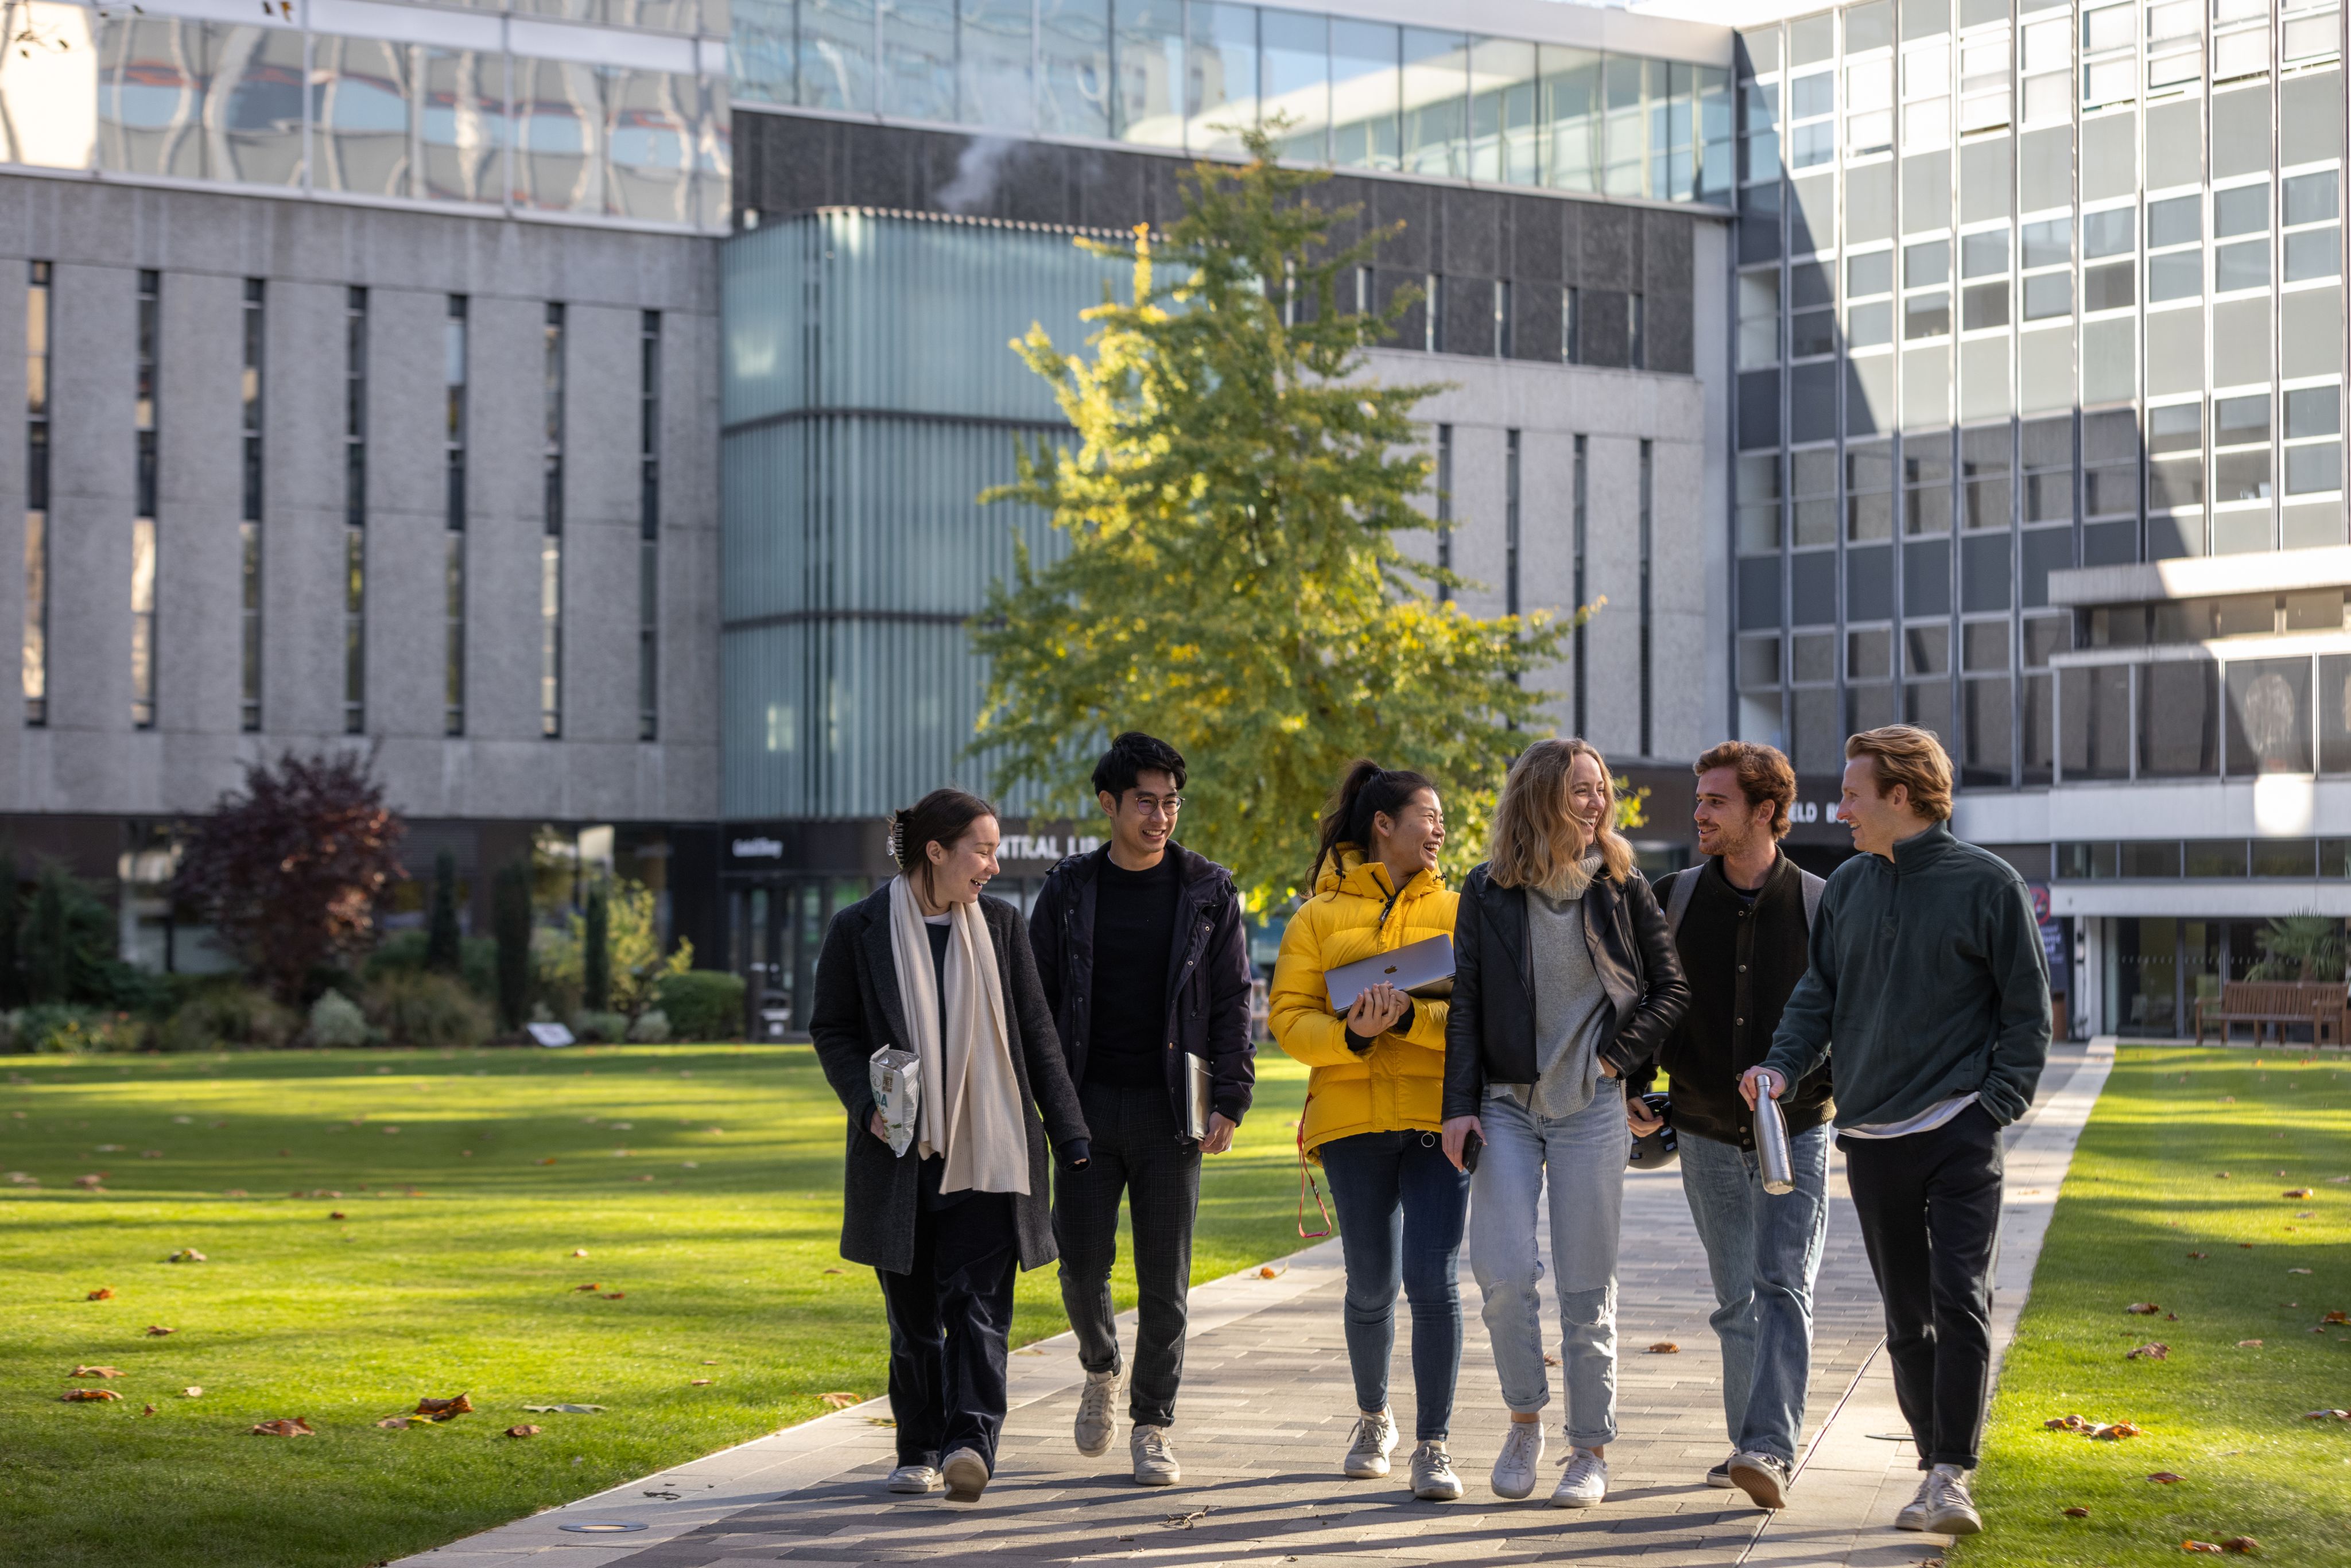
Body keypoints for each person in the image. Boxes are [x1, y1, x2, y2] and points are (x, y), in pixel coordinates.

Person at [1744, 727, 2050, 1539]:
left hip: (1958, 1131)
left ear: (1901, 796)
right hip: (1873, 1139)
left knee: (1961, 1299)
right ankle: (1929, 1465)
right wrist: (1779, 1067)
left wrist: (1993, 1105)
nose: (1841, 808)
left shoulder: (1988, 884)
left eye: (1853, 794)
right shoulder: (1848, 886)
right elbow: (1817, 996)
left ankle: (1951, 1474)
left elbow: (2027, 1012)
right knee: (1908, 1319)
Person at [807, 788, 1093, 1504]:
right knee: (913, 1320)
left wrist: (1069, 1132)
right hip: (899, 1154)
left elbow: (1036, 1032)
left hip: (989, 1144)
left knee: (979, 1309)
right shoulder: (857, 927)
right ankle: (918, 1446)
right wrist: (866, 1102)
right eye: (982, 850)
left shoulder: (1000, 925)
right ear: (935, 851)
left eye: (995, 851)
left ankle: (970, 1443)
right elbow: (832, 1028)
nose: (993, 866)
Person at [1440, 739, 1688, 1510]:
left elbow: (1670, 989)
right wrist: (1456, 1105)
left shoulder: (1620, 881)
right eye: (1582, 789)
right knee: (1503, 1273)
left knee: (1587, 1286)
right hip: (1506, 1105)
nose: (1597, 802)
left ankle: (1589, 1448)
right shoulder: (1487, 888)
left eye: (1601, 788)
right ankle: (1525, 1421)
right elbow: (1467, 1003)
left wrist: (1616, 1063)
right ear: (1541, 796)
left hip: (1591, 1108)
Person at [1029, 732, 1255, 1487]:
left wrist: (1231, 1096)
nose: (1160, 817)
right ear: (1109, 804)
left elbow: (1231, 1000)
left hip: (1172, 1110)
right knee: (1080, 1264)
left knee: (1166, 1281)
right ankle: (1101, 1366)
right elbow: (1036, 1001)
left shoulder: (1208, 889)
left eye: (1171, 803)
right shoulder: (1068, 890)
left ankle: (1153, 1423)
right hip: (1085, 1107)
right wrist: (1048, 1099)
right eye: (1145, 803)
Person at [1640, 742, 1831, 1510]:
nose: (1700, 813)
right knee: (1734, 1300)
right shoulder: (1674, 898)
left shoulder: (1821, 904)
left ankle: (1768, 1448)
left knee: (1782, 1285)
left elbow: (1843, 1016)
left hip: (1798, 1128)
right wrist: (1635, 1085)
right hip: (1704, 1129)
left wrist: (1809, 1084)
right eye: (1699, 799)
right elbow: (1646, 1003)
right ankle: (1749, 1445)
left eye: (1716, 801)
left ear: (1765, 811)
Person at [1269, 760, 1467, 1502]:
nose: (1439, 828)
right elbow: (1288, 1017)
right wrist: (1352, 1035)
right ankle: (1373, 1418)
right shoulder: (1316, 918)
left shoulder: (1458, 909)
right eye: (1428, 815)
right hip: (1350, 1123)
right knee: (1371, 1283)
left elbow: (1478, 1016)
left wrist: (1411, 1019)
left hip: (1436, 1120)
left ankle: (1433, 1444)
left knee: (1433, 1280)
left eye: (1442, 818)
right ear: (1384, 825)